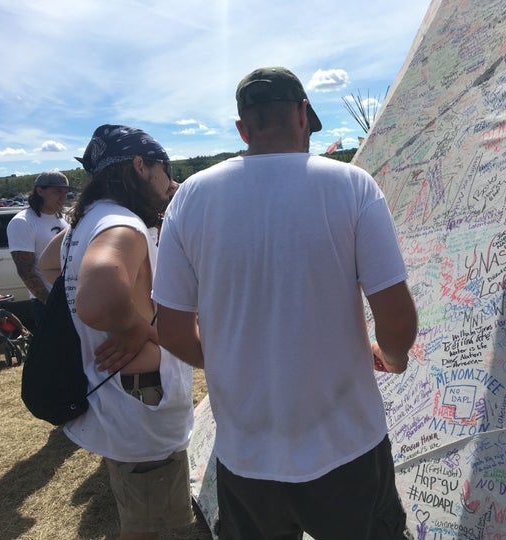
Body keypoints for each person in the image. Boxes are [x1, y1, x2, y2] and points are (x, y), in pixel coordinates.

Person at [153, 67, 418, 539]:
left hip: (245, 457)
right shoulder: (352, 186)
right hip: (349, 449)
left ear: (242, 129)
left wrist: (234, 363)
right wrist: (392, 359)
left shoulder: (190, 198)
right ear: (302, 115)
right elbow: (396, 318)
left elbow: (171, 330)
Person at [38, 125, 195, 540]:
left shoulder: (87, 221)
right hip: (142, 401)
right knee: (155, 530)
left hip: (120, 396)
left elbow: (48, 265)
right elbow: (97, 299)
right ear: (141, 165)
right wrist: (136, 327)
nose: (170, 180)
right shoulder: (123, 224)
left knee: (141, 519)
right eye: (166, 168)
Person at [7, 170, 69, 327]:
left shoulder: (64, 218)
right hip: (49, 302)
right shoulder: (23, 222)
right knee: (56, 350)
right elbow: (26, 271)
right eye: (57, 191)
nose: (63, 197)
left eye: (65, 191)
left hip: (73, 297)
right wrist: (51, 304)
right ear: (40, 191)